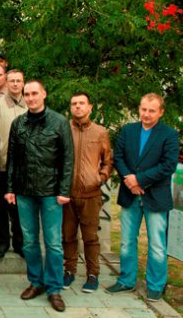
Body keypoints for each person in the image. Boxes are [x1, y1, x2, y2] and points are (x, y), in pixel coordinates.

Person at [5, 80, 74, 313]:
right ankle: (36, 282)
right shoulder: (18, 124)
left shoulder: (59, 122)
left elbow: (67, 159)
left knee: (53, 243)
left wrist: (64, 191)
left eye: (35, 93)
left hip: (51, 192)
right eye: (27, 94)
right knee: (30, 241)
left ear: (44, 94)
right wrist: (10, 188)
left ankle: (54, 288)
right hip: (24, 192)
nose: (31, 98)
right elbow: (12, 159)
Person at [107, 93, 179, 302]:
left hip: (155, 196)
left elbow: (168, 165)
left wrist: (139, 180)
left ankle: (155, 285)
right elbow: (118, 157)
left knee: (156, 244)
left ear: (161, 112)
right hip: (130, 194)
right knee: (126, 242)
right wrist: (130, 181)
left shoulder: (169, 134)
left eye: (151, 111)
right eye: (143, 109)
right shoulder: (128, 130)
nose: (146, 114)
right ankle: (126, 280)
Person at [62, 92, 113, 293]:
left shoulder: (100, 132)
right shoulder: (64, 129)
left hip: (91, 194)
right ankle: (69, 270)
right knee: (68, 236)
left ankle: (93, 274)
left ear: (90, 107)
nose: (78, 107)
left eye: (82, 103)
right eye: (74, 103)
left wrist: (100, 178)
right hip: (67, 194)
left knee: (90, 237)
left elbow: (108, 161)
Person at [0, 69, 27, 258]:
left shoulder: (30, 105)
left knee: (20, 208)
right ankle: (2, 242)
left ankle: (20, 242)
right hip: (1, 165)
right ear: (6, 83)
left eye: (19, 80)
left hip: (23, 168)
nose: (15, 84)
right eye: (12, 81)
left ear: (23, 83)